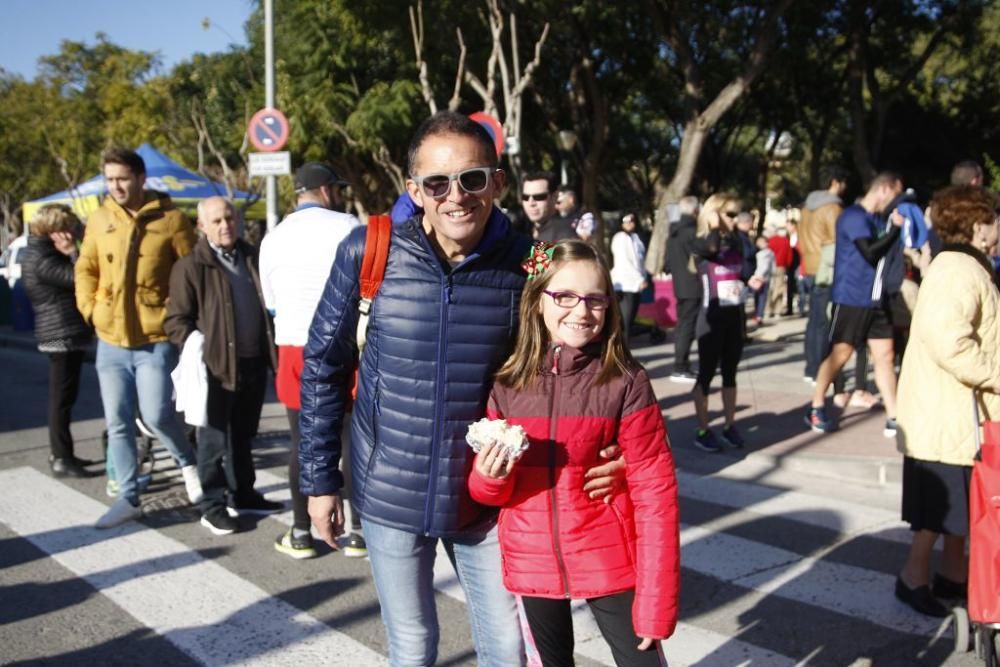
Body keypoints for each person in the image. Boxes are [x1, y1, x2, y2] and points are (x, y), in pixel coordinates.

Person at [298, 111, 623, 666]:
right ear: (414, 190)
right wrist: (319, 481)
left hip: (490, 497)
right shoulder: (368, 250)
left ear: (497, 183)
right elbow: (323, 369)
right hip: (388, 491)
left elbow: (591, 354)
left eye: (473, 179)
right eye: (437, 183)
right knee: (414, 645)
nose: (456, 196)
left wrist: (616, 450)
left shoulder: (532, 262)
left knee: (504, 647)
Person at [469, 239, 678, 666]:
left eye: (595, 300)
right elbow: (488, 495)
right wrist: (490, 478)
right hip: (532, 562)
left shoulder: (625, 380)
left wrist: (656, 604)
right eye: (564, 296)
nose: (581, 312)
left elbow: (656, 493)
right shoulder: (507, 381)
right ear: (538, 301)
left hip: (610, 553)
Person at [76, 147, 201, 529]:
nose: (115, 186)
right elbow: (86, 266)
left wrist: (178, 317)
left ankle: (187, 464)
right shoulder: (98, 219)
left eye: (123, 179)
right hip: (110, 338)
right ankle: (128, 497)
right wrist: (90, 308)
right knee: (117, 420)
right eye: (110, 179)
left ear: (141, 179)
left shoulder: (172, 219)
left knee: (156, 414)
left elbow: (189, 272)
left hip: (154, 337)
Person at [895, 185, 1000, 617]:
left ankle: (953, 576)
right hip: (947, 414)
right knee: (935, 514)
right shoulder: (959, 270)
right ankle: (912, 578)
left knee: (958, 509)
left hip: (955, 414)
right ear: (978, 225)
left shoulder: (964, 266)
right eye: (994, 219)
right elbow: (950, 343)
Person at [259, 162, 363, 559]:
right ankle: (357, 533)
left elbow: (271, 303)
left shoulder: (273, 237)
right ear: (324, 190)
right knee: (352, 439)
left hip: (294, 346)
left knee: (302, 442)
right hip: (344, 343)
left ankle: (301, 532)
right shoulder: (348, 226)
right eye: (335, 188)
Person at [165, 197, 281, 535]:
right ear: (202, 227)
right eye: (216, 221)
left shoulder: (252, 257)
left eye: (229, 218)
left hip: (253, 362)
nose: (224, 225)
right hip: (215, 368)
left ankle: (243, 491)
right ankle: (212, 505)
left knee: (244, 434)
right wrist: (198, 345)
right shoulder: (191, 266)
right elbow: (176, 321)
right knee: (213, 441)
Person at [805, 172, 905, 436]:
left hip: (876, 299)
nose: (894, 203)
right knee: (841, 353)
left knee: (885, 356)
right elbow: (870, 252)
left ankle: (894, 416)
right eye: (895, 195)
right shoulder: (852, 217)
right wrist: (894, 231)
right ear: (883, 189)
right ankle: (816, 405)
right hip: (851, 298)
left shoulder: (875, 219)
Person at [21, 204, 95, 479]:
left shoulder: (40, 252)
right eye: (68, 227)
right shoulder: (43, 258)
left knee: (64, 398)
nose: (72, 232)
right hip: (61, 333)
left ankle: (64, 453)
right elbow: (79, 279)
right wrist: (74, 253)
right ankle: (61, 457)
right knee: (61, 400)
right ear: (54, 231)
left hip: (61, 331)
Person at [689, 194, 761, 452]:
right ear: (715, 213)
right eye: (729, 214)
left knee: (730, 374)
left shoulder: (738, 242)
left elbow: (742, 269)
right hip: (710, 320)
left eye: (736, 214)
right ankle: (702, 429)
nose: (735, 219)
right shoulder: (702, 242)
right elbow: (709, 249)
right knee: (706, 375)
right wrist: (713, 224)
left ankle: (730, 425)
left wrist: (750, 280)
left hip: (734, 318)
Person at [799, 167, 848, 383]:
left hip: (808, 266)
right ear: (836, 182)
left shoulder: (806, 208)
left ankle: (810, 366)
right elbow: (838, 241)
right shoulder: (832, 208)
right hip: (826, 270)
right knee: (823, 322)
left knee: (813, 321)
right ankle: (818, 369)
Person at [665, 195, 701, 382]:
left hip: (680, 284)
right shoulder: (692, 231)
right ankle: (680, 366)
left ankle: (681, 364)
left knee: (682, 325)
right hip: (693, 285)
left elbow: (667, 263)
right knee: (687, 326)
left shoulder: (673, 233)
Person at [610, 212, 648, 342]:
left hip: (634, 284)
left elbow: (639, 261)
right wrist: (640, 279)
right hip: (625, 283)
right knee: (625, 322)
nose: (630, 223)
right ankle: (622, 355)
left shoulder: (635, 238)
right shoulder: (620, 238)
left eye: (632, 220)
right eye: (626, 221)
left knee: (629, 320)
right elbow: (625, 261)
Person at [522, 172, 577, 241]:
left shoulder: (564, 236)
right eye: (525, 197)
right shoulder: (518, 230)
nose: (531, 203)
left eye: (539, 197)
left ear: (554, 197)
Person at [766, 225, 792, 318]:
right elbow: (789, 255)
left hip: (769, 266)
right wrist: (787, 265)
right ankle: (777, 310)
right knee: (779, 287)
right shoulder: (784, 240)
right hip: (781, 266)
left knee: (770, 288)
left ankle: (768, 310)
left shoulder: (769, 241)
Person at [751, 234, 774, 326]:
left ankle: (759, 315)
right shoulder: (771, 253)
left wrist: (757, 275)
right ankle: (758, 314)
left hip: (759, 277)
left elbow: (764, 267)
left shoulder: (761, 254)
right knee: (759, 297)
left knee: (760, 297)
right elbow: (773, 266)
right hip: (765, 277)